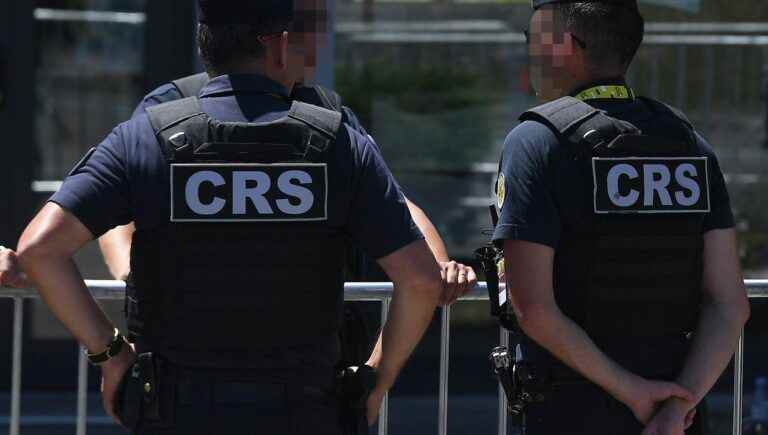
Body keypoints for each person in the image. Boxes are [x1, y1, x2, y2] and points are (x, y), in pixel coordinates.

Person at [16, 1, 446, 434]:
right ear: (278, 47)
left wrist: (110, 355)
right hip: (304, 409)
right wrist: (375, 378)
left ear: (207, 48)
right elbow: (421, 280)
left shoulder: (145, 136)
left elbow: (40, 249)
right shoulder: (339, 144)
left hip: (175, 411)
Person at [491, 1, 750, 434]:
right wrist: (675, 406)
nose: (528, 54)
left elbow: (533, 307)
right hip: (675, 414)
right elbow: (730, 304)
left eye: (532, 40)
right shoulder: (688, 142)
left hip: (570, 410)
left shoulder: (537, 141)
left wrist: (633, 393)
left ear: (565, 47)